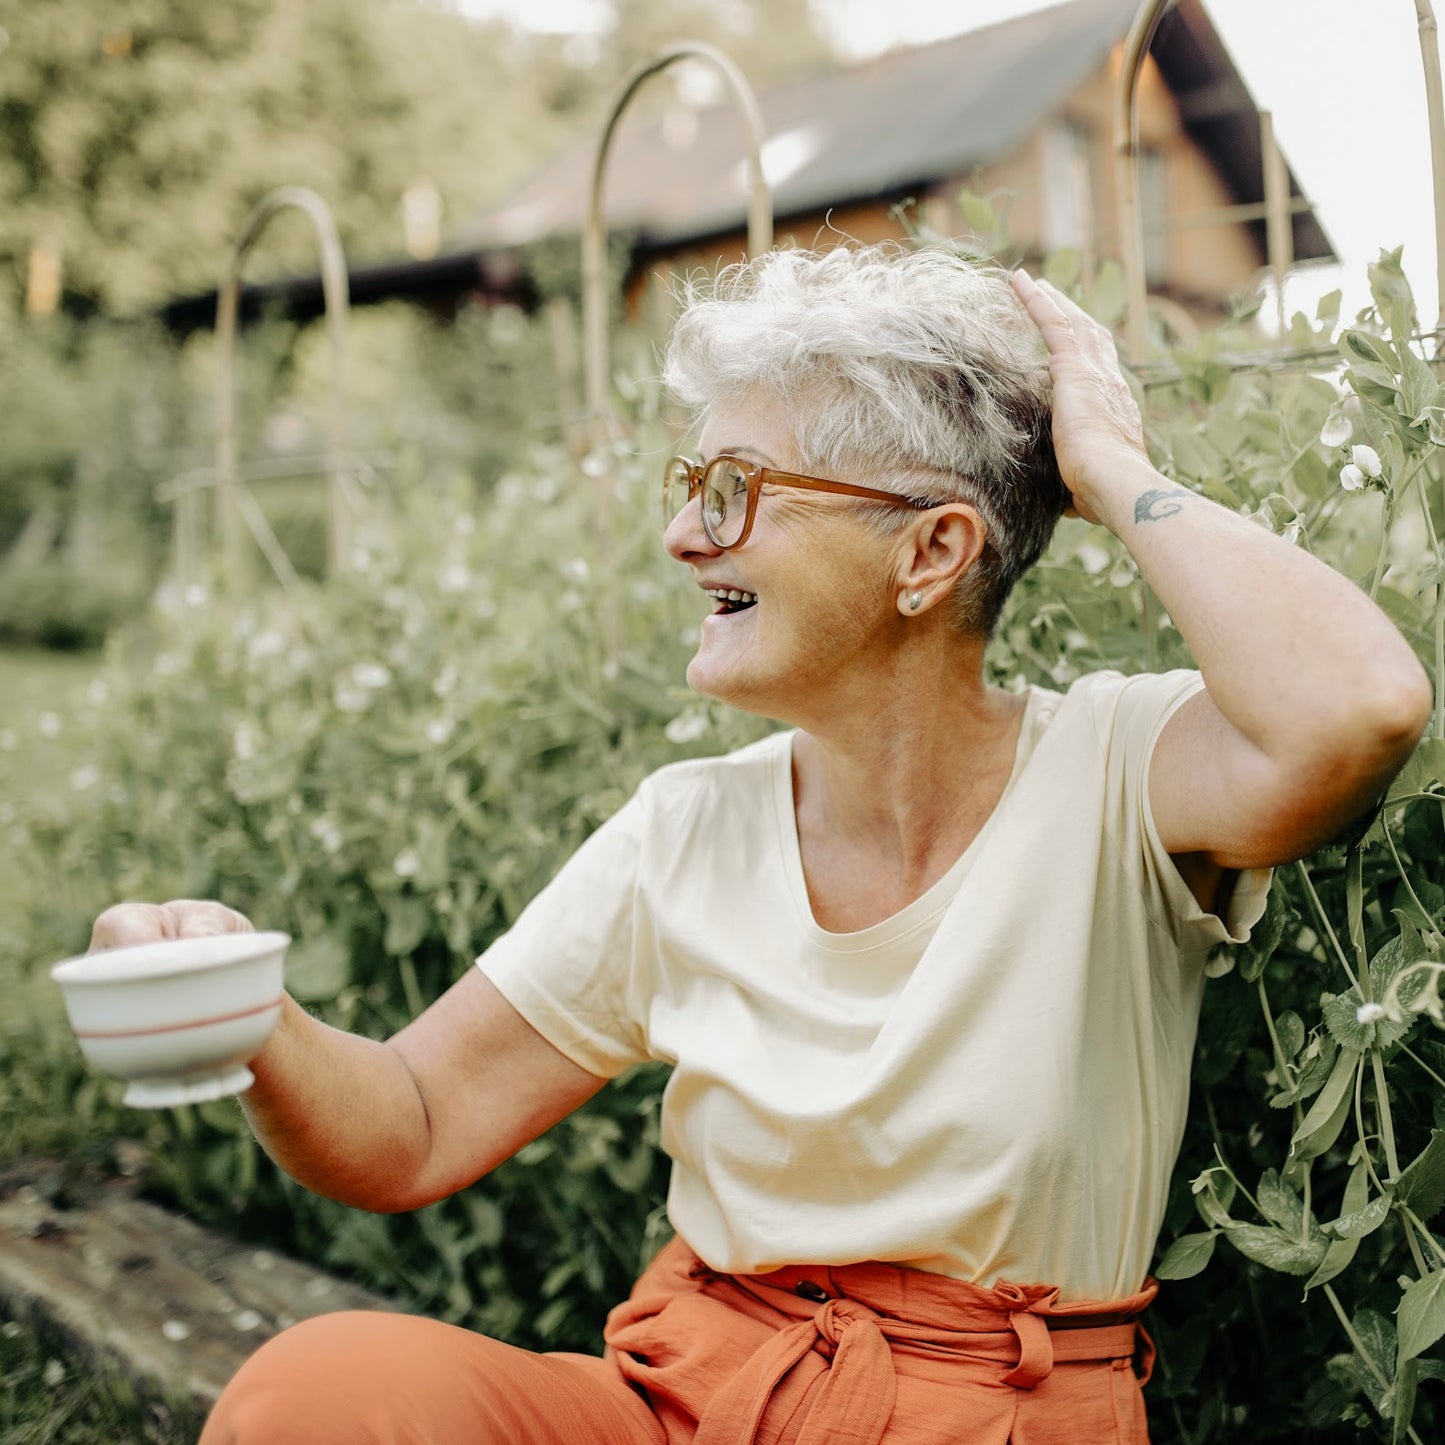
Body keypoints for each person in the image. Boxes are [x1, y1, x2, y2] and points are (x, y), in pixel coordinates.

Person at [91, 244, 1431, 1445]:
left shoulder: (1117, 776)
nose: (682, 534)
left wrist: (1112, 470)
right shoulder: (683, 829)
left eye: (732, 490)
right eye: (689, 488)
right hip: (688, 1398)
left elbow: (1357, 709)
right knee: (320, 1395)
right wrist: (251, 1013)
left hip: (994, 1421)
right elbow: (414, 1125)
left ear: (930, 553)